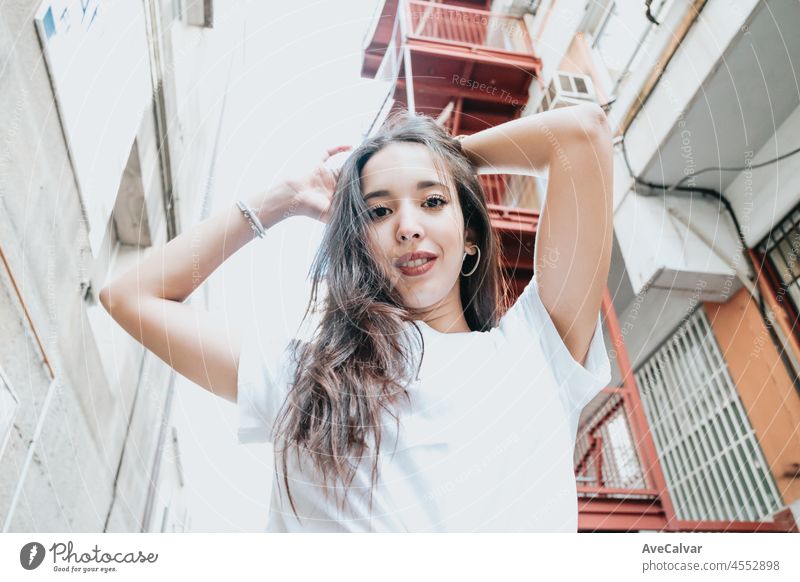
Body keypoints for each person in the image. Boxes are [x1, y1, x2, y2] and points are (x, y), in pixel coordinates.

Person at [99, 103, 614, 532]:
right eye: (378, 211)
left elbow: (581, 136)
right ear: (361, 249)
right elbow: (131, 297)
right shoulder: (310, 380)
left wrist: (447, 156)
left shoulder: (538, 352)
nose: (408, 226)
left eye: (433, 200)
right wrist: (282, 200)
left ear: (471, 235)